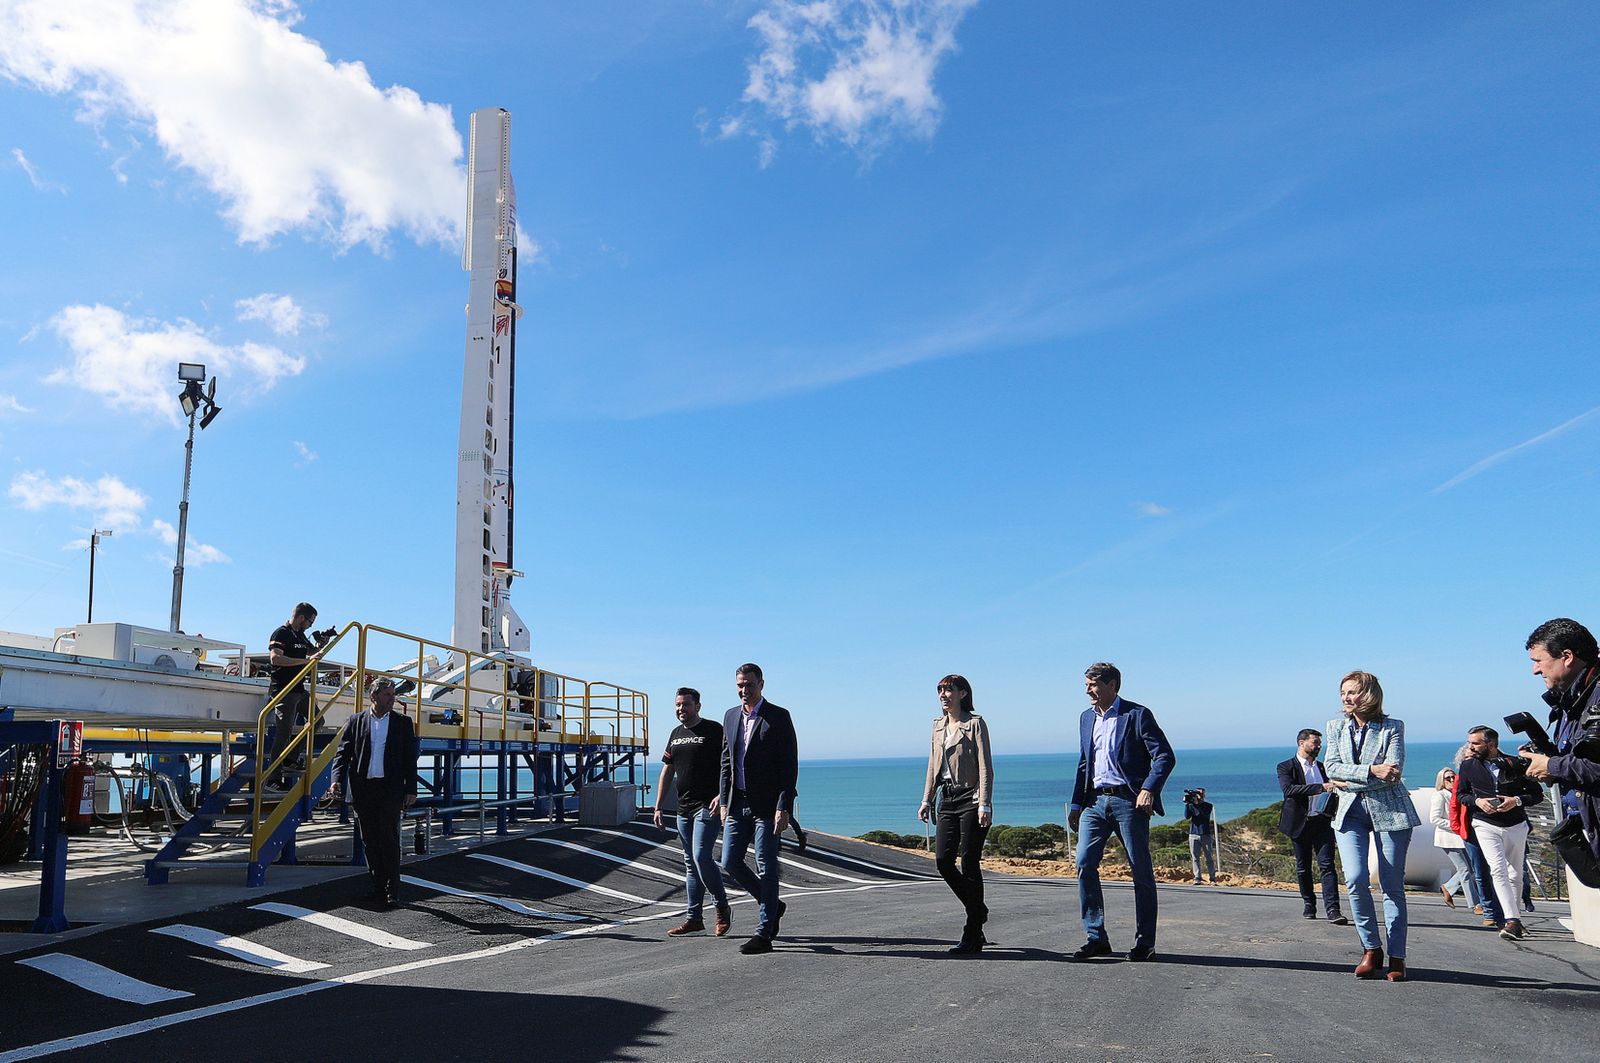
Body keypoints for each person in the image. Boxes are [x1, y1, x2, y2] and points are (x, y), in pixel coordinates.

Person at [1068, 662, 1176, 962]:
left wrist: (1149, 789)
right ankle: (1096, 937)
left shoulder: (1137, 715)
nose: (1088, 690)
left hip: (1129, 803)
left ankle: (1145, 942)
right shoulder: (1086, 718)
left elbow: (1165, 756)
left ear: (1112, 685)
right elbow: (1083, 763)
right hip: (1094, 804)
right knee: (1084, 864)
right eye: (1087, 684)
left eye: (1093, 684)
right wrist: (1077, 804)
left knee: (1140, 871)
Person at [1324, 670, 1421, 982]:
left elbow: (1393, 772)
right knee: (1354, 878)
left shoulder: (1393, 727)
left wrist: (1350, 777)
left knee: (1392, 886)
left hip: (1390, 810)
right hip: (1349, 811)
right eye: (1343, 693)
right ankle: (1370, 948)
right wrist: (1370, 770)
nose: (1346, 698)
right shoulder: (1335, 727)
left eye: (1352, 692)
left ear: (1369, 693)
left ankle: (1397, 956)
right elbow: (1331, 767)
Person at [716, 663, 798, 955]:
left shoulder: (778, 716)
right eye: (739, 685)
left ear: (761, 684)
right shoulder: (730, 716)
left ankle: (764, 932)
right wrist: (724, 802)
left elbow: (789, 766)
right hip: (737, 802)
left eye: (749, 685)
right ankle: (773, 904)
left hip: (767, 805)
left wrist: (783, 806)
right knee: (730, 861)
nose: (744, 691)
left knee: (766, 865)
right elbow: (726, 762)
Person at [1519, 618, 1600, 890]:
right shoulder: (1572, 702)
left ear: (1566, 657)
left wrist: (1552, 766)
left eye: (1539, 660)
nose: (1534, 670)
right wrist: (1545, 763)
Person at [918, 674, 994, 955]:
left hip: (971, 798)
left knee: (970, 863)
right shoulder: (937, 726)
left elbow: (986, 767)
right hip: (946, 799)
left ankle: (972, 932)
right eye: (940, 691)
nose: (943, 695)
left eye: (949, 690)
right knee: (943, 862)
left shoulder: (974, 724)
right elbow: (932, 765)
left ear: (963, 694)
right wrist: (926, 799)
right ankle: (978, 909)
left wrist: (985, 804)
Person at [329, 679, 418, 908]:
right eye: (388, 695)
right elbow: (342, 754)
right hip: (364, 789)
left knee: (388, 838)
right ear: (374, 697)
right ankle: (377, 887)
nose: (392, 698)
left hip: (390, 789)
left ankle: (392, 890)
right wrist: (336, 781)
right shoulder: (356, 721)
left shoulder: (402, 723)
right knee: (369, 840)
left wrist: (411, 789)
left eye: (393, 694)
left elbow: (410, 758)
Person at [652, 687, 731, 937]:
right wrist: (658, 806)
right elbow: (667, 770)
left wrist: (723, 794)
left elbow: (729, 764)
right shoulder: (675, 734)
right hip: (682, 808)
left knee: (701, 857)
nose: (681, 709)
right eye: (677, 705)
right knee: (690, 864)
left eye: (686, 704)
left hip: (707, 805)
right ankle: (694, 917)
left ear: (698, 706)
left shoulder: (714, 730)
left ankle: (721, 907)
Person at [1457, 725, 1544, 941]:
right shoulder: (1467, 766)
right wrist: (1478, 801)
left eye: (1476, 743)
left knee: (1516, 873)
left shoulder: (1515, 764)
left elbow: (1537, 795)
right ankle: (1512, 920)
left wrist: (1515, 801)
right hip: (1485, 824)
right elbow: (1461, 795)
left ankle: (1514, 920)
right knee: (1498, 870)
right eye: (1470, 743)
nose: (1471, 747)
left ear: (1492, 744)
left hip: (1516, 824)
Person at [1276, 729, 1348, 924]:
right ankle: (1309, 903)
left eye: (1319, 743)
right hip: (1299, 824)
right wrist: (1321, 787)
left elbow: (1331, 788)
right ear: (1301, 743)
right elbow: (1289, 790)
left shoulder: (1322, 767)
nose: (1318, 746)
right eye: (1315, 743)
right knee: (1303, 867)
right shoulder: (1285, 767)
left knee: (1327, 865)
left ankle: (1333, 910)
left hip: (1322, 822)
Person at [264, 602, 325, 788]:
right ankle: (272, 778)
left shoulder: (299, 635)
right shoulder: (281, 633)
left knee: (318, 720)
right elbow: (275, 658)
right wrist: (306, 661)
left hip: (299, 689)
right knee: (284, 732)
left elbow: (311, 651)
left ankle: (291, 757)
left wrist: (321, 644)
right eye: (310, 622)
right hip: (284, 689)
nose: (310, 626)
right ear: (301, 618)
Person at [1429, 766, 1481, 912]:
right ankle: (1475, 904)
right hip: (1448, 838)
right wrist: (1455, 826)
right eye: (1448, 778)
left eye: (1453, 777)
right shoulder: (1440, 796)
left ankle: (1448, 887)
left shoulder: (1458, 794)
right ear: (1442, 781)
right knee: (1464, 869)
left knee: (1470, 868)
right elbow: (1434, 818)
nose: (1452, 780)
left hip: (1461, 837)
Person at [1183, 788, 1217, 885]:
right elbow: (1187, 816)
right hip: (1193, 834)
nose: (1199, 795)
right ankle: (1197, 877)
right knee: (1195, 857)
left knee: (1209, 857)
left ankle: (1212, 878)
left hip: (1205, 834)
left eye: (1200, 794)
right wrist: (1187, 804)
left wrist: (1197, 804)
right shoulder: (1191, 805)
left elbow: (1203, 815)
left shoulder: (1208, 806)